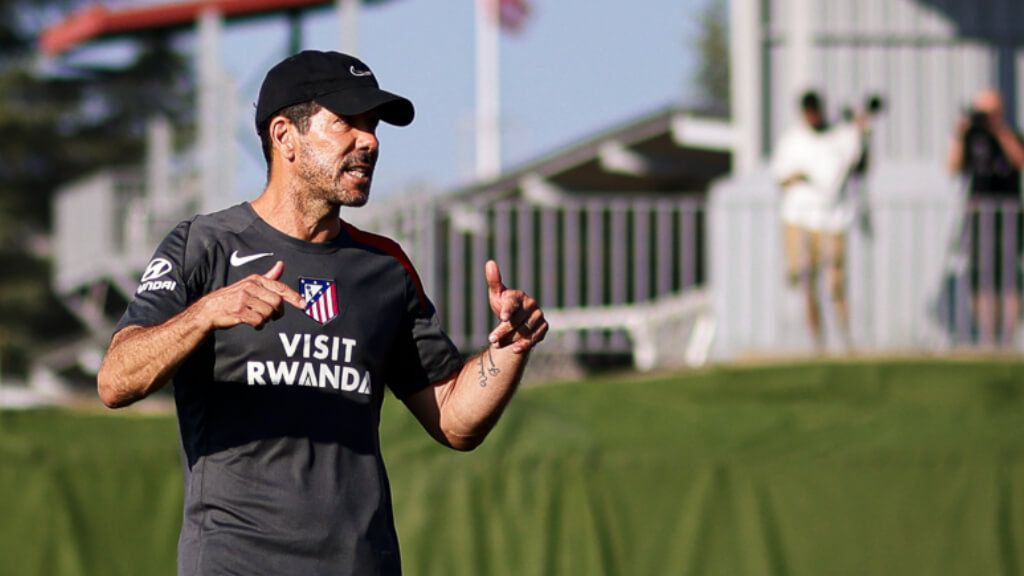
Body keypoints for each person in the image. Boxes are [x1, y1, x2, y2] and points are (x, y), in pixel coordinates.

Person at [96, 50, 548, 576]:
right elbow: (115, 379)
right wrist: (205, 313)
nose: (370, 140)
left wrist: (509, 351)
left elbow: (454, 418)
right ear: (285, 135)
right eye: (347, 123)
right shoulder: (202, 245)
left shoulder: (385, 267)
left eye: (373, 126)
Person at [771, 90, 869, 351]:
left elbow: (859, 163)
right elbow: (781, 177)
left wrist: (861, 131)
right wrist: (802, 177)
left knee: (835, 282)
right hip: (800, 219)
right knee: (805, 278)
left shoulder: (840, 137)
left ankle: (845, 339)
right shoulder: (792, 141)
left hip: (832, 220)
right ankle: (817, 342)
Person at [946, 88, 1024, 346]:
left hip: (1008, 215)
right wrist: (960, 133)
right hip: (979, 213)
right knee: (981, 274)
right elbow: (952, 167)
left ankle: (1007, 338)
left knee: (1009, 275)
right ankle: (988, 337)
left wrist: (998, 130)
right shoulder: (971, 137)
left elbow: (1020, 160)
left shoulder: (1011, 134)